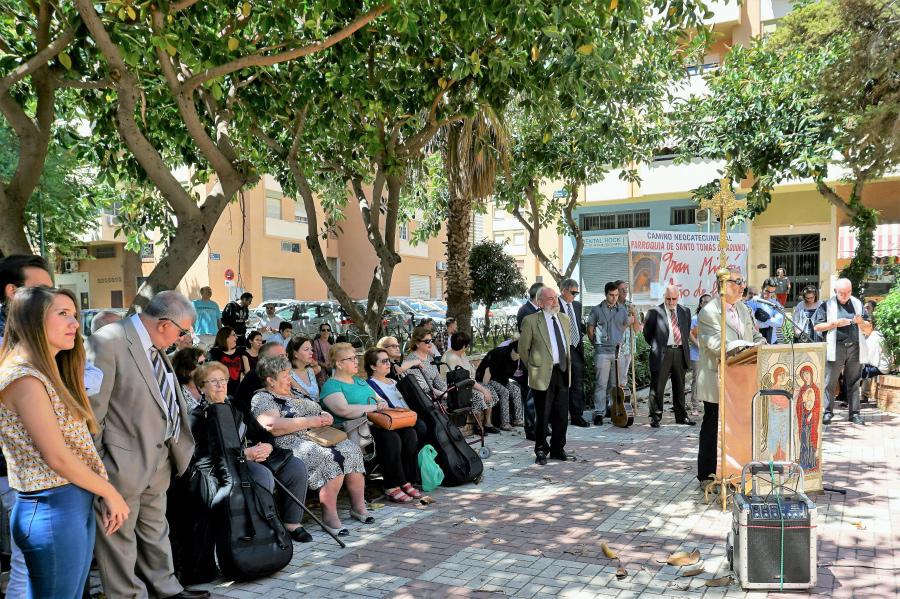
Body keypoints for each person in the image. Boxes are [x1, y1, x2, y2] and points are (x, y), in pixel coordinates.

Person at [0, 286, 129, 598]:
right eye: (63, 314)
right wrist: (110, 492)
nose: (74, 323)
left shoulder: (41, 372)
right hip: (52, 505)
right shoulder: (24, 378)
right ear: (33, 320)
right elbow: (57, 457)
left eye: (74, 315)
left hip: (67, 503)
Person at [86, 290, 207, 599]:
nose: (185, 338)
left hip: (160, 458)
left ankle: (167, 589)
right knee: (119, 538)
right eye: (183, 331)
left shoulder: (155, 344)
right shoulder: (108, 341)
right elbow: (91, 412)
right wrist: (103, 465)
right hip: (121, 463)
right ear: (165, 324)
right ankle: (128, 595)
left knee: (155, 530)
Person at [192, 362, 312, 542]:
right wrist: (244, 454)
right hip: (226, 468)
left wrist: (268, 446)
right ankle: (264, 528)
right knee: (262, 475)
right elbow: (202, 457)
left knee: (295, 466)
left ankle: (292, 523)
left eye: (223, 380)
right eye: (213, 381)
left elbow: (263, 433)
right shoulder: (198, 417)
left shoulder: (236, 406)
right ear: (201, 387)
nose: (220, 385)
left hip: (254, 457)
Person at [251, 353, 366, 536]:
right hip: (290, 442)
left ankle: (359, 507)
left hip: (319, 436)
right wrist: (312, 421)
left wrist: (325, 416)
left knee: (351, 450)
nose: (290, 378)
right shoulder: (263, 398)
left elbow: (317, 408)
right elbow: (272, 425)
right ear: (270, 380)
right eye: (285, 375)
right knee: (329, 458)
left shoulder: (295, 392)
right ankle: (329, 516)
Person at [323, 346, 421, 504]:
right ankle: (391, 485)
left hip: (373, 424)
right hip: (354, 430)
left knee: (409, 433)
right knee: (390, 438)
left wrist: (380, 403)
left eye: (356, 357)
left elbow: (379, 400)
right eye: (351, 359)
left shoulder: (359, 381)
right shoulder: (331, 385)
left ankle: (404, 480)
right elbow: (344, 411)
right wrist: (372, 408)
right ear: (339, 364)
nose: (356, 361)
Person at [695, 270, 764, 483]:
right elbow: (717, 345)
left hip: (742, 380)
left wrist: (761, 344)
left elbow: (755, 334)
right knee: (713, 425)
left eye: (743, 282)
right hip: (717, 380)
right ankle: (706, 474)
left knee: (738, 426)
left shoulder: (743, 308)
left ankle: (734, 470)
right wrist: (741, 348)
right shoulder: (709, 312)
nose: (742, 286)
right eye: (738, 282)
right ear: (723, 285)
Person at [519, 287, 573, 465]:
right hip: (542, 374)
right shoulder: (531, 321)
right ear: (541, 303)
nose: (555, 301)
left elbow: (566, 345)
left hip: (562, 371)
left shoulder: (564, 319)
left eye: (555, 297)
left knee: (561, 415)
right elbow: (523, 350)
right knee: (543, 414)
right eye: (550, 299)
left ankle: (558, 449)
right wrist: (534, 368)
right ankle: (541, 450)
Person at [813, 278, 869, 425]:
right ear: (835, 291)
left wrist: (861, 322)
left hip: (855, 347)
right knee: (829, 381)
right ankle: (827, 412)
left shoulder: (857, 304)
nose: (845, 295)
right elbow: (817, 326)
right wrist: (834, 324)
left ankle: (855, 414)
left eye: (848, 292)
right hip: (835, 346)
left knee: (854, 382)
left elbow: (869, 327)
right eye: (842, 292)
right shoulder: (827, 305)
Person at [643, 286, 694, 428]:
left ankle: (681, 416)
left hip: (679, 351)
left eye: (674, 299)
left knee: (680, 386)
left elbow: (686, 331)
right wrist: (657, 345)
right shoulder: (654, 312)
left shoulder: (685, 311)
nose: (671, 302)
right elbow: (647, 334)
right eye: (668, 299)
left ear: (679, 297)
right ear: (664, 297)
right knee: (657, 387)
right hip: (662, 353)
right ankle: (655, 417)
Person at [587, 282, 632, 423]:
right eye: (611, 295)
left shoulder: (622, 310)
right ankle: (599, 413)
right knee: (601, 383)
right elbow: (590, 329)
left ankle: (614, 410)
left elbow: (624, 325)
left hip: (618, 352)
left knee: (616, 385)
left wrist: (617, 336)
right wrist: (596, 343)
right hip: (602, 351)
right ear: (605, 294)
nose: (614, 298)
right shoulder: (596, 310)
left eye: (616, 295)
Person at [365, 347, 429, 445]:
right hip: (395, 420)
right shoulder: (369, 385)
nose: (388, 363)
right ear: (373, 366)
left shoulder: (394, 381)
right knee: (416, 429)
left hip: (409, 416)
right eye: (384, 361)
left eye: (388, 360)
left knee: (428, 421)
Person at [441, 331, 502, 432]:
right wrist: (483, 390)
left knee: (490, 390)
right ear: (464, 346)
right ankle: (479, 426)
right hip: (457, 388)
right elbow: (464, 379)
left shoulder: (461, 353)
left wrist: (484, 389)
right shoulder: (452, 358)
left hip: (467, 383)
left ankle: (487, 423)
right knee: (479, 395)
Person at [557, 279, 588, 427]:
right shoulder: (555, 305)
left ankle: (577, 416)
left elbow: (579, 324)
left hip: (576, 348)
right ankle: (559, 416)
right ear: (564, 291)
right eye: (573, 292)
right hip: (561, 350)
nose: (575, 296)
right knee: (562, 384)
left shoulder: (576, 305)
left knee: (577, 383)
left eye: (577, 292)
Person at [475, 341, 524, 427]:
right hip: (490, 379)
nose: (518, 357)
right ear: (512, 350)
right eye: (518, 354)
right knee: (504, 392)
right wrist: (485, 388)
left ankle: (518, 419)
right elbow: (488, 371)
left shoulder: (517, 358)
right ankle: (504, 423)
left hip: (502, 380)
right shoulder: (500, 354)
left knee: (516, 390)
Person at [232, 341, 286, 419]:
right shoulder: (255, 376)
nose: (285, 359)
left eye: (285, 355)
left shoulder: (284, 374)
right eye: (281, 356)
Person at [615, 280, 642, 406]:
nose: (625, 291)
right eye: (622, 289)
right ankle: (614, 404)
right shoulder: (613, 306)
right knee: (616, 378)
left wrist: (635, 314)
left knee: (624, 378)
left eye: (626, 289)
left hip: (629, 347)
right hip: (617, 348)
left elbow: (637, 329)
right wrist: (627, 321)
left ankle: (622, 403)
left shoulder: (630, 306)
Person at [404, 326, 447, 399]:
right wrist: (446, 396)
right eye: (427, 341)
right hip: (425, 399)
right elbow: (425, 389)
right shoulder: (411, 361)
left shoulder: (429, 357)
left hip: (436, 396)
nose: (431, 344)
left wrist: (451, 392)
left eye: (431, 340)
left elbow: (439, 382)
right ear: (417, 343)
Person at [688, 294, 712, 415]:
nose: (707, 304)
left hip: (710, 354)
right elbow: (690, 334)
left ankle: (706, 403)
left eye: (710, 302)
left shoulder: (714, 319)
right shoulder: (694, 319)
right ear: (700, 304)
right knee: (696, 380)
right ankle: (695, 405)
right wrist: (698, 345)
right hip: (696, 354)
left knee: (708, 379)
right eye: (705, 302)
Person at [208, 326, 247, 397]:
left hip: (238, 391)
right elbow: (212, 373)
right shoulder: (215, 352)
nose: (237, 337)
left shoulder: (240, 351)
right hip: (222, 391)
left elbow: (244, 371)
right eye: (234, 335)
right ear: (226, 337)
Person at [748, 279, 784, 344]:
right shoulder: (753, 302)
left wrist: (765, 319)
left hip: (772, 341)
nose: (769, 294)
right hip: (756, 341)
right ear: (762, 288)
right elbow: (752, 323)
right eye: (767, 291)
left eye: (772, 292)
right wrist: (771, 320)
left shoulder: (775, 304)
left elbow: (779, 322)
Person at [287, 336, 323, 400]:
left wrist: (315, 364)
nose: (311, 352)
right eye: (306, 349)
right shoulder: (287, 374)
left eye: (311, 349)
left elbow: (318, 368)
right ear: (295, 353)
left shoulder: (310, 371)